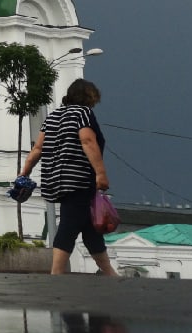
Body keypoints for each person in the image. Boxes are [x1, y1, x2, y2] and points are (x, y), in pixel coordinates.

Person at [18, 78, 117, 276]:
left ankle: (109, 273)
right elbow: (88, 141)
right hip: (79, 180)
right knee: (69, 225)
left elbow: (38, 149)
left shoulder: (53, 117)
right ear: (89, 97)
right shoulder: (83, 114)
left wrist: (24, 174)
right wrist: (101, 173)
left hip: (57, 180)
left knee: (91, 229)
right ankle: (56, 274)